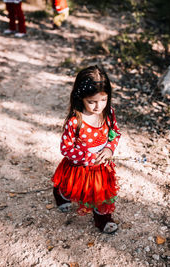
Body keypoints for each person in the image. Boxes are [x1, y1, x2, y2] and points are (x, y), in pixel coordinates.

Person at [52, 65, 121, 234]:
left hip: (101, 167)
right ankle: (60, 195)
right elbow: (66, 148)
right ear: (81, 97)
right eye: (92, 102)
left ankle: (103, 219)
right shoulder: (76, 121)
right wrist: (87, 158)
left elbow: (115, 133)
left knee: (101, 194)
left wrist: (109, 149)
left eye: (103, 100)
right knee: (72, 189)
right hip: (79, 167)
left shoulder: (108, 113)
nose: (98, 106)